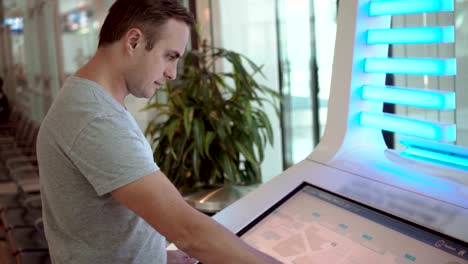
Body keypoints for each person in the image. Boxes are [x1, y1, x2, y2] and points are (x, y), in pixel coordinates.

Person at [36, 1, 280, 263]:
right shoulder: (95, 118)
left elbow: (99, 226)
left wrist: (158, 256)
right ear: (133, 41)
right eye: (170, 56)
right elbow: (188, 232)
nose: (172, 73)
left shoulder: (88, 101)